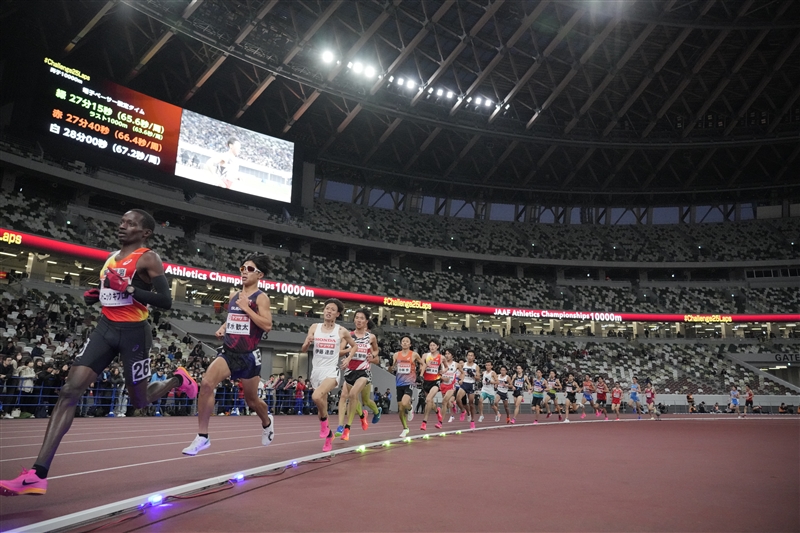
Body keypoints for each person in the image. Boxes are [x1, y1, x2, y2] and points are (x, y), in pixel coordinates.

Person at [1, 210, 197, 496]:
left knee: (140, 400)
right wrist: (100, 292)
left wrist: (128, 287)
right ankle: (37, 474)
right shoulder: (111, 257)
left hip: (134, 334)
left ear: (145, 233)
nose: (123, 226)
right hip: (105, 328)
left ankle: (178, 380)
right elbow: (113, 288)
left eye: (131, 224)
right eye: (122, 222)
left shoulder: (148, 258)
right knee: (69, 391)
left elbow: (165, 301)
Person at [182, 255, 274, 455]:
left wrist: (246, 308)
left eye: (249, 269)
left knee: (252, 402)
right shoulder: (234, 295)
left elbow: (267, 325)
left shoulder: (260, 297)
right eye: (242, 267)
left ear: (259, 274)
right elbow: (233, 317)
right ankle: (202, 437)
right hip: (229, 352)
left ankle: (267, 422)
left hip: (248, 356)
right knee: (206, 383)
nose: (244, 271)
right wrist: (223, 327)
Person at [301, 299, 357, 452]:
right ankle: (329, 435)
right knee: (321, 410)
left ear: (337, 314)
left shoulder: (341, 331)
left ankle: (324, 425)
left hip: (331, 371)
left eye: (332, 309)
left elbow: (354, 346)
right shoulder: (314, 327)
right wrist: (307, 342)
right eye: (327, 308)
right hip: (316, 371)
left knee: (316, 396)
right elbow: (304, 349)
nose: (328, 311)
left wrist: (348, 359)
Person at [337, 308, 382, 441]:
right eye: (357, 317)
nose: (359, 320)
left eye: (362, 318)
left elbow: (376, 353)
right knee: (354, 398)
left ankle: (347, 428)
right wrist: (352, 349)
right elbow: (340, 351)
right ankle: (361, 416)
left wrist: (372, 356)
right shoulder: (349, 336)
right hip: (350, 371)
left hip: (364, 372)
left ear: (366, 321)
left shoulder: (371, 337)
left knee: (353, 395)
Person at [389, 336, 422, 438]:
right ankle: (405, 428)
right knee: (400, 409)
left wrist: (421, 374)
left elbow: (423, 364)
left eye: (407, 341)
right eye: (403, 341)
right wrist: (391, 366)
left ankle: (410, 407)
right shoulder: (396, 355)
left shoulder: (414, 354)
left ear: (410, 344)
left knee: (404, 403)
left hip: (410, 382)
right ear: (401, 343)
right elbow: (390, 369)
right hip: (399, 383)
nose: (404, 343)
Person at [419, 340, 444, 431]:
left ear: (437, 346)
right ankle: (437, 411)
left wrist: (442, 371)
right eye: (430, 345)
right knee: (431, 403)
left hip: (435, 381)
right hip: (426, 381)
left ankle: (424, 422)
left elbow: (446, 367)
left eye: (434, 345)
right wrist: (426, 365)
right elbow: (421, 368)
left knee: (428, 399)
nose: (432, 347)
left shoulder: (441, 357)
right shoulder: (425, 356)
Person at [456, 350, 479, 429]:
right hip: (464, 383)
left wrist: (472, 374)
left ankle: (472, 421)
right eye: (468, 355)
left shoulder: (476, 366)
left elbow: (478, 378)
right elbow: (459, 374)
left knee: (471, 404)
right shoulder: (463, 365)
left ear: (474, 357)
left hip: (471, 385)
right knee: (458, 399)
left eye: (471, 355)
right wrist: (460, 380)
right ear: (467, 356)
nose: (470, 357)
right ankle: (464, 411)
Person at [438, 349, 459, 423]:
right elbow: (437, 375)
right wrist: (443, 378)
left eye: (449, 354)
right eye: (446, 354)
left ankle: (440, 422)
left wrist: (461, 380)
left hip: (451, 386)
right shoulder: (441, 364)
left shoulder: (456, 364)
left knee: (444, 401)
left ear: (452, 355)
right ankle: (453, 406)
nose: (447, 355)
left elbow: (462, 373)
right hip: (443, 385)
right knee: (446, 404)